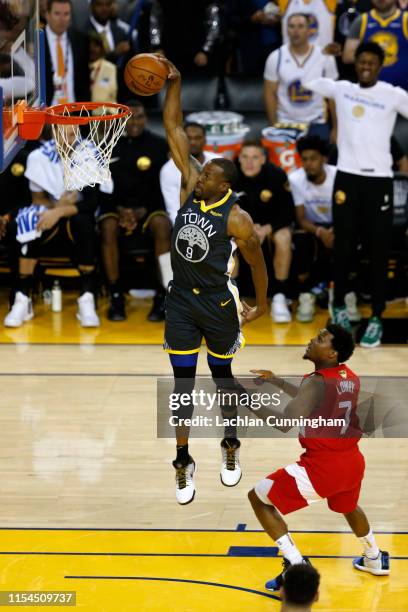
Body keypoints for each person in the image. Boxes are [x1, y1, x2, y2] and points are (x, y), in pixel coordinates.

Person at [159, 55, 268, 504]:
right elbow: (173, 128)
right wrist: (176, 83)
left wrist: (259, 303)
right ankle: (183, 462)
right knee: (182, 386)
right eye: (200, 172)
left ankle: (230, 445)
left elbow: (258, 263)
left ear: (223, 186)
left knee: (222, 378)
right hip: (182, 300)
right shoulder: (189, 183)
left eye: (206, 175)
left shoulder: (237, 219)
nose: (198, 175)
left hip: (218, 304)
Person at [248, 324, 390, 592]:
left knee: (258, 498)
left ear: (332, 353)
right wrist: (277, 381)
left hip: (323, 466)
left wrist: (244, 398)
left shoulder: (316, 381)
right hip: (352, 462)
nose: (313, 339)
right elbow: (313, 401)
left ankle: (296, 564)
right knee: (348, 506)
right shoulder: (348, 376)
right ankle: (374, 558)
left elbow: (283, 422)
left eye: (321, 339)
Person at [302, 41, 408, 347]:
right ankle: (339, 309)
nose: (365, 66)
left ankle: (376, 316)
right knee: (344, 248)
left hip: (379, 183)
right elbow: (309, 81)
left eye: (371, 62)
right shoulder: (342, 89)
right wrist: (323, 54)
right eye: (361, 61)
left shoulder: (392, 94)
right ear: (355, 63)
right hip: (347, 179)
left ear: (380, 65)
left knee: (378, 251)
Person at [4, 128, 99, 328]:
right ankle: (22, 298)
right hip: (51, 208)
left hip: (78, 213)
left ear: (79, 136)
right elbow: (37, 199)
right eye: (63, 134)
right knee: (28, 220)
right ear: (54, 134)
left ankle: (87, 297)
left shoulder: (89, 154)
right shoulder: (38, 156)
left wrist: (59, 212)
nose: (68, 139)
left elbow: (91, 203)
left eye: (72, 135)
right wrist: (55, 208)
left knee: (84, 223)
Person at [98, 100, 171, 322]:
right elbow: (101, 186)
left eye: (139, 117)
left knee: (163, 225)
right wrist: (120, 210)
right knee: (107, 227)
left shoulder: (160, 145)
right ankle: (116, 295)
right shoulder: (107, 145)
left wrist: (142, 211)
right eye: (129, 118)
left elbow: (165, 185)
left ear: (146, 119)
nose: (135, 122)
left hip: (149, 208)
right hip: (116, 208)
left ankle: (163, 294)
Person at [290, 135, 360, 324]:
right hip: (312, 227)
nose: (308, 164)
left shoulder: (338, 176)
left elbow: (350, 212)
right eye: (304, 159)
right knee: (301, 241)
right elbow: (301, 218)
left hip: (339, 223)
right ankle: (306, 295)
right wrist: (321, 233)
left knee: (350, 239)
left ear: (324, 159)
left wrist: (335, 231)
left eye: (313, 158)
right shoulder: (295, 179)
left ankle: (347, 295)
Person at [236, 139, 294, 323]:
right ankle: (232, 302)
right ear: (239, 159)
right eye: (244, 157)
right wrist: (248, 228)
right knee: (225, 241)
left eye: (254, 157)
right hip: (240, 228)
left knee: (284, 236)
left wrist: (268, 228)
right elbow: (222, 210)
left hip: (269, 228)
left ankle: (279, 296)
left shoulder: (277, 175)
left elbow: (289, 212)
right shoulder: (231, 177)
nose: (249, 162)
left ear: (263, 159)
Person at [264, 14, 338, 140]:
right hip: (285, 122)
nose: (295, 31)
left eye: (301, 26)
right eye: (291, 26)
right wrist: (274, 126)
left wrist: (336, 128)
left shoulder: (325, 58)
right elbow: (269, 94)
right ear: (286, 30)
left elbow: (334, 97)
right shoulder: (276, 57)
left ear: (310, 30)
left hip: (316, 122)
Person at [160, 122, 218, 225]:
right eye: (188, 138)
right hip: (186, 224)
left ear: (205, 140)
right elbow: (173, 210)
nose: (193, 142)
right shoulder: (168, 170)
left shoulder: (218, 162)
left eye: (197, 138)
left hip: (219, 222)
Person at [342, 0, 408, 88]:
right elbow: (347, 56)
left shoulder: (406, 20)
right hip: (370, 93)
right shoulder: (362, 21)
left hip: (404, 91)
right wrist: (373, 54)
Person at [44, 0, 90, 105]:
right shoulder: (37, 39)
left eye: (66, 14)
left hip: (74, 112)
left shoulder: (80, 39)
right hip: (46, 112)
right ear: (47, 15)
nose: (62, 19)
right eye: (57, 14)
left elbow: (84, 81)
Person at [85, 0, 130, 65]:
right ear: (91, 6)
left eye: (108, 4)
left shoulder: (121, 32)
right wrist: (115, 54)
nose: (104, 9)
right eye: (99, 4)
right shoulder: (84, 33)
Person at [89, 32, 118, 104]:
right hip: (85, 112)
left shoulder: (110, 68)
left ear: (102, 48)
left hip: (107, 112)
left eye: (96, 46)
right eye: (89, 46)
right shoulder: (78, 68)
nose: (92, 49)